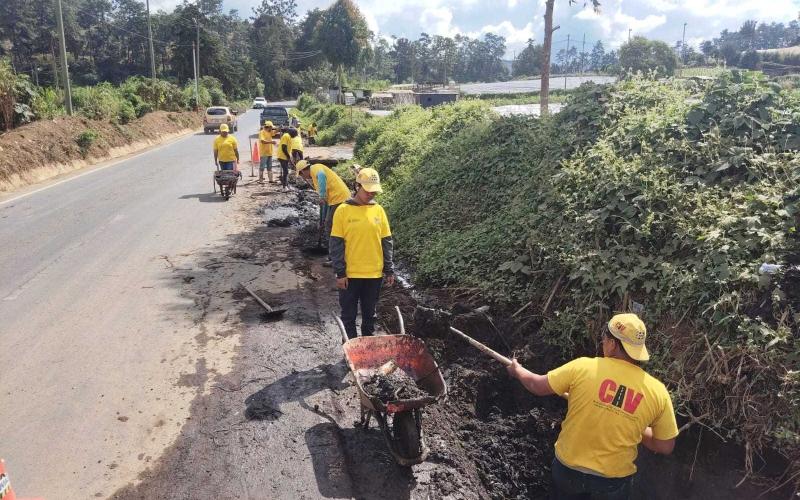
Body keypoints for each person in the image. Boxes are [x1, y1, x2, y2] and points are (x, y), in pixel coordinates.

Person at [506, 313, 678, 500]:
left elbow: (537, 385)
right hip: (612, 482)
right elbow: (665, 445)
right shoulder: (657, 392)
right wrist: (636, 424)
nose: (603, 343)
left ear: (612, 343)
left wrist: (518, 370)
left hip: (567, 471)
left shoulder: (583, 367)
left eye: (604, 338)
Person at [330, 168, 395, 339]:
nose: (371, 193)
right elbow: (336, 244)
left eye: (374, 190)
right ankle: (350, 349)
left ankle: (368, 349)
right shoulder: (343, 210)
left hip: (374, 274)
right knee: (348, 315)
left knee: (370, 316)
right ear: (356, 186)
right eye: (367, 189)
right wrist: (340, 272)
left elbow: (386, 241)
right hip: (350, 275)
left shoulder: (379, 210)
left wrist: (389, 269)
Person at [295, 160, 351, 263]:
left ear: (303, 171)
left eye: (301, 175)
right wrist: (323, 204)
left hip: (339, 198)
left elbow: (321, 176)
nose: (303, 178)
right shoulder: (314, 172)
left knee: (330, 226)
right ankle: (335, 255)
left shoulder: (316, 169)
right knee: (330, 225)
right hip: (335, 199)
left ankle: (335, 257)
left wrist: (321, 195)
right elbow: (325, 199)